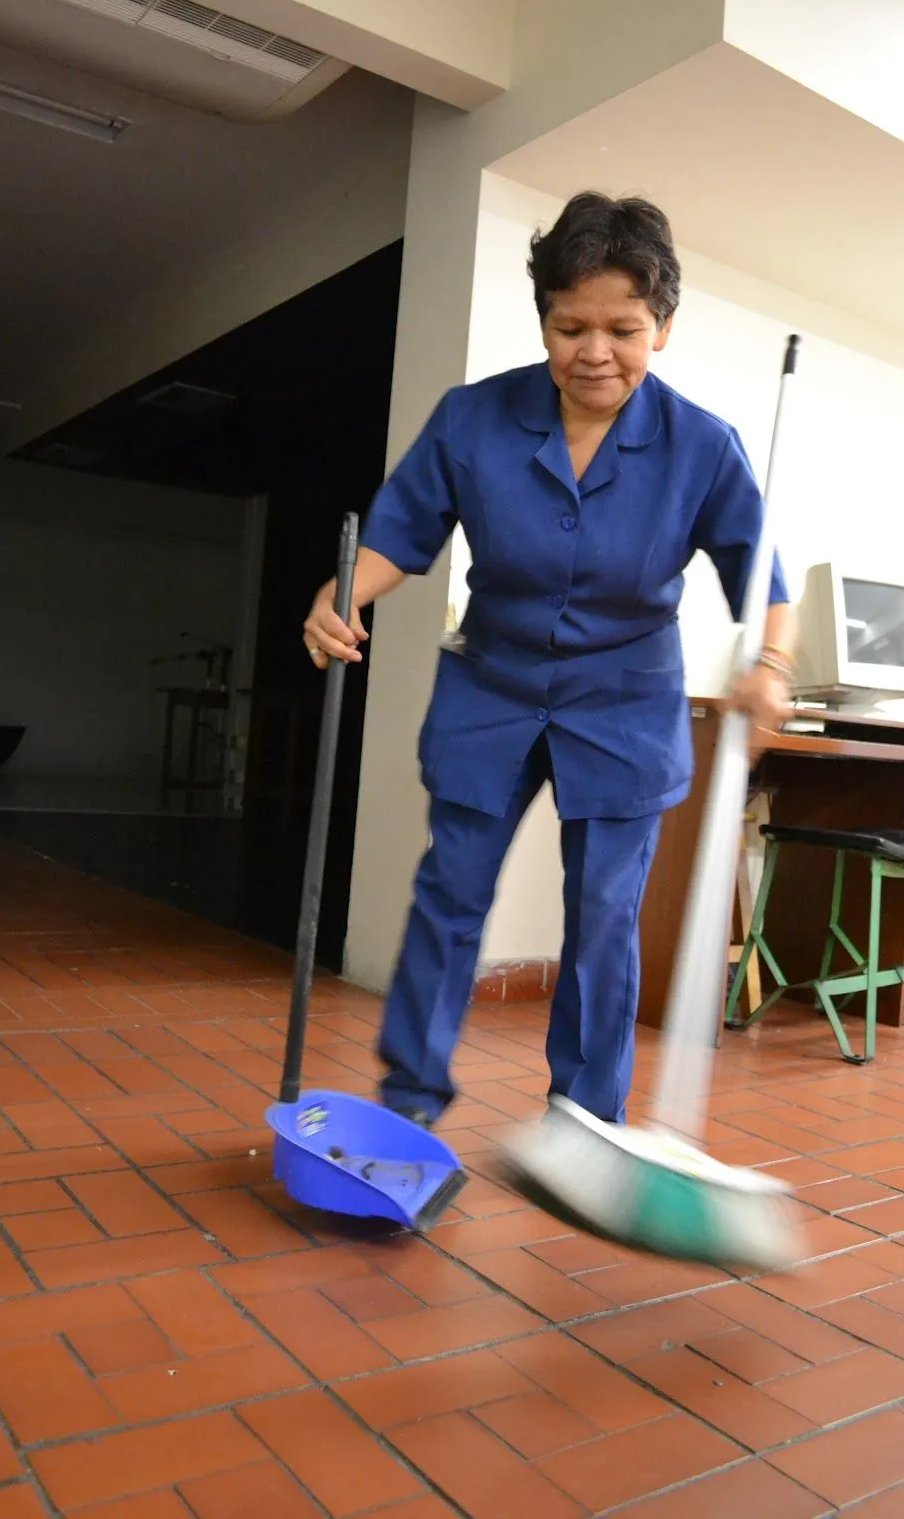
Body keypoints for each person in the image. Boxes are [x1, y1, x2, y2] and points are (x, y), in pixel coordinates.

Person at [303, 193, 793, 1131]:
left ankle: (584, 1119)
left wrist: (770, 663)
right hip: (491, 684)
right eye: (571, 326)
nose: (594, 351)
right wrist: (338, 598)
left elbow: (761, 576)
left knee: (605, 918)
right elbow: (397, 536)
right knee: (450, 891)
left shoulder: (701, 446)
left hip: (624, 699)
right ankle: (407, 1101)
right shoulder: (472, 419)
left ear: (664, 328)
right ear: (544, 319)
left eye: (623, 328)